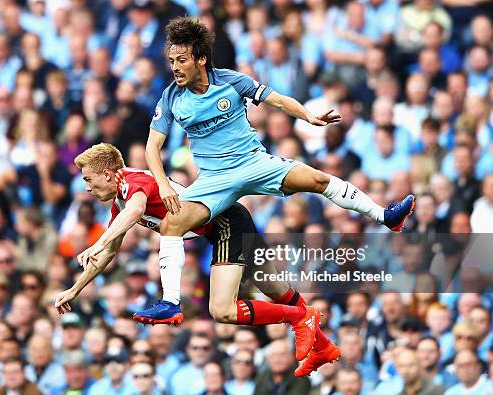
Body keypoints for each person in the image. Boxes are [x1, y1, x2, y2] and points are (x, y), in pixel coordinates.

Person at [140, 17, 412, 372]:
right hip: (213, 180)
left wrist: (308, 116)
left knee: (316, 180)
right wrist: (162, 182)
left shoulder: (231, 81)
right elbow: (152, 148)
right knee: (172, 226)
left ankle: (385, 216)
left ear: (201, 59)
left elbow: (277, 100)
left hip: (254, 162)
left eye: (182, 60)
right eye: (171, 61)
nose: (175, 67)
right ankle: (171, 302)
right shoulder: (171, 97)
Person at [54, 143, 334, 373]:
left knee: (222, 310)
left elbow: (136, 211)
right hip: (228, 222)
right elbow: (110, 252)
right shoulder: (120, 201)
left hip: (225, 224)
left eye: (88, 179)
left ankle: (300, 317)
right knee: (277, 290)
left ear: (107, 173)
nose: (86, 188)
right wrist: (75, 289)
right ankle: (322, 347)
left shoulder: (133, 182)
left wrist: (96, 242)